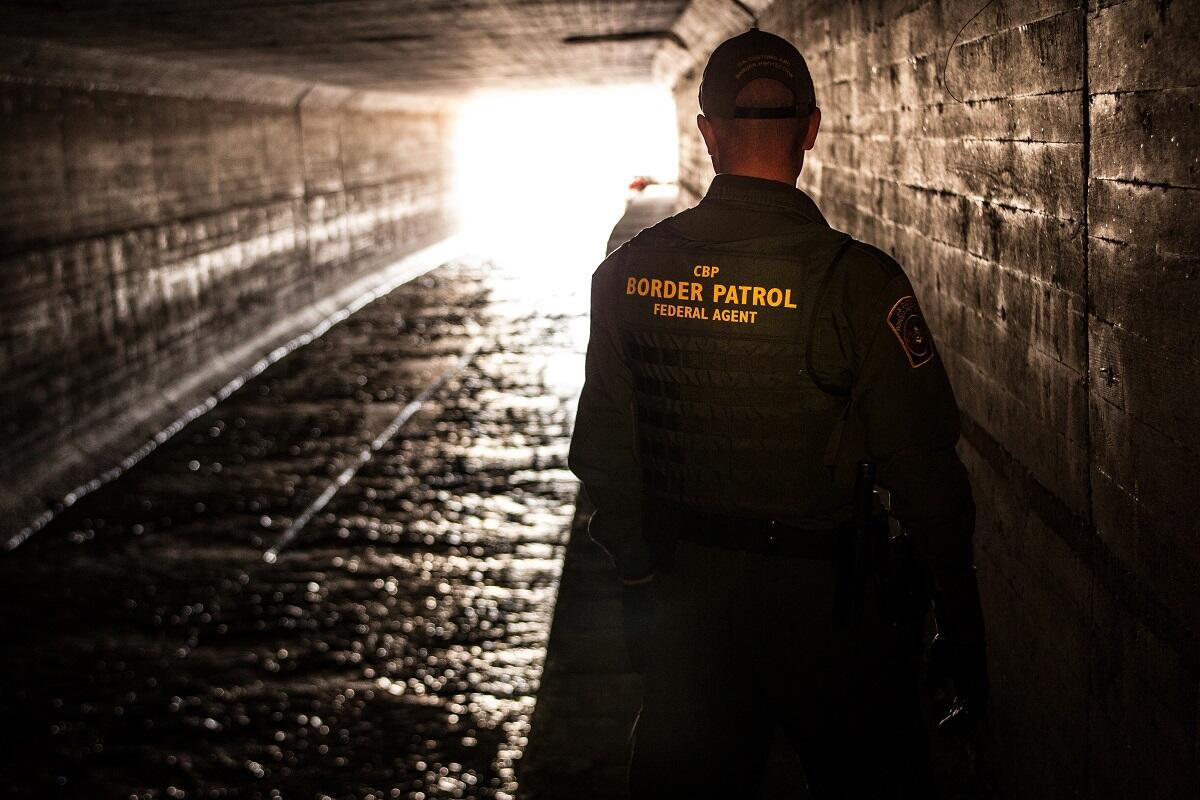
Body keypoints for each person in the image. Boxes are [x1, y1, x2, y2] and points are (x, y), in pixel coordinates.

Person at [567, 27, 987, 799]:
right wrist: (960, 625)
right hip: (829, 614)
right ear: (812, 129)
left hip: (688, 602)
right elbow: (927, 476)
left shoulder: (625, 276)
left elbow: (603, 454)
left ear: (708, 134)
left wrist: (638, 582)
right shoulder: (859, 283)